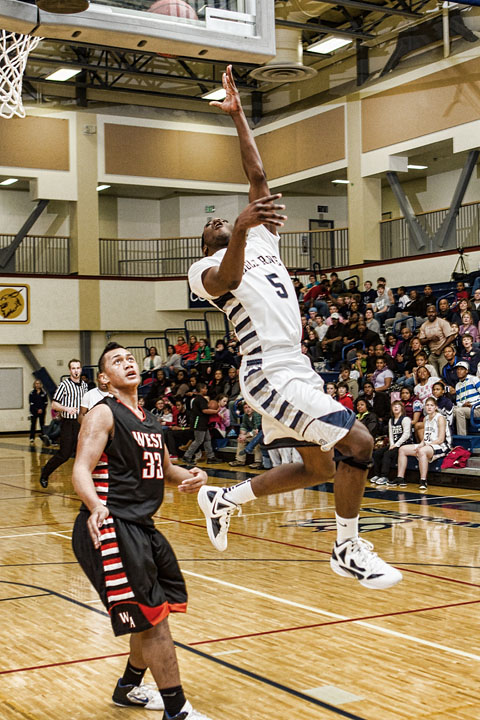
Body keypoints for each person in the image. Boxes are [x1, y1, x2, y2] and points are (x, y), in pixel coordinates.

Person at [188, 65, 401, 590]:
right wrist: (235, 229)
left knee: (319, 469)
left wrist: (240, 118)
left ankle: (224, 496)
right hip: (265, 372)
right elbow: (228, 278)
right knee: (359, 442)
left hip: (296, 368)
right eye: (210, 226)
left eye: (224, 220)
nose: (218, 220)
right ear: (207, 242)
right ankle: (346, 547)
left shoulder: (260, 239)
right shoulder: (203, 270)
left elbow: (257, 178)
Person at [71, 343, 212, 720]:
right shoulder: (102, 413)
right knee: (154, 619)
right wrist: (95, 505)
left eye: (131, 358)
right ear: (104, 378)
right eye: (117, 361)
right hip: (110, 525)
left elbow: (165, 469)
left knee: (154, 610)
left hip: (142, 526)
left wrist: (195, 476)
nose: (128, 363)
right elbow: (81, 469)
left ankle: (129, 686)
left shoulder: (150, 420)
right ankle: (177, 710)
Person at [39, 359, 87, 488]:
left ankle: (84, 482)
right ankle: (45, 472)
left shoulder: (84, 386)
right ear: (70, 370)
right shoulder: (64, 385)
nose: (76, 371)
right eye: (73, 368)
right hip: (68, 422)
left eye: (78, 368)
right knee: (64, 454)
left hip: (81, 422)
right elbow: (54, 404)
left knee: (83, 453)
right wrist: (66, 409)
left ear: (81, 369)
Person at [396, 396, 450, 491]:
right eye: (427, 405)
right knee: (402, 449)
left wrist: (425, 446)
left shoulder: (440, 418)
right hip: (428, 445)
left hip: (441, 446)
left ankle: (423, 480)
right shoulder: (425, 418)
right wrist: (421, 444)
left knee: (422, 451)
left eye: (431, 405)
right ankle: (400, 478)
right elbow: (425, 437)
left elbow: (441, 439)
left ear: (436, 407)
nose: (429, 407)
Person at [371, 401, 412, 486]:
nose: (396, 407)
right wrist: (392, 444)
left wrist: (396, 445)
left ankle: (384, 476)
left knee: (387, 454)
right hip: (394, 444)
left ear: (402, 408)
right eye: (394, 406)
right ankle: (377, 475)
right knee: (377, 453)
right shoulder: (391, 420)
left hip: (404, 445)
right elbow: (391, 434)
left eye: (398, 406)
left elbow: (406, 434)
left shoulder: (405, 419)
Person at [182, 383, 223, 465]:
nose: (206, 390)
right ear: (201, 389)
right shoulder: (200, 399)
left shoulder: (199, 399)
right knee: (198, 440)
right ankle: (187, 456)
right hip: (199, 422)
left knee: (207, 439)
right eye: (205, 388)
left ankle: (211, 457)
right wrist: (216, 411)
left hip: (203, 422)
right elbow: (204, 410)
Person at [418, 305, 455, 377]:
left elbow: (451, 337)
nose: (431, 314)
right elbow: (421, 341)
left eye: (433, 312)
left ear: (436, 313)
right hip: (432, 353)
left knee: (443, 374)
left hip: (443, 352)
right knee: (433, 376)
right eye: (429, 312)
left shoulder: (442, 322)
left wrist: (440, 349)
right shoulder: (424, 325)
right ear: (426, 313)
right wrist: (430, 339)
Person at [228, 402, 263, 468]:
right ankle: (240, 460)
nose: (247, 409)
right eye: (245, 408)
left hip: (261, 434)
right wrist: (241, 435)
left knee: (257, 440)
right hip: (252, 434)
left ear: (253, 408)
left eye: (249, 407)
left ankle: (258, 462)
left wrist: (245, 436)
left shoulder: (257, 415)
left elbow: (257, 430)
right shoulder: (245, 416)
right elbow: (243, 426)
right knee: (241, 440)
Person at [453, 360, 480, 435]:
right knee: (450, 411)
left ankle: (462, 437)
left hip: (477, 408)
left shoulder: (474, 379)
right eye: (458, 369)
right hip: (466, 409)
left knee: (459, 411)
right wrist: (463, 405)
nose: (459, 371)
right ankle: (449, 437)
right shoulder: (458, 385)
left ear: (466, 371)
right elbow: (458, 401)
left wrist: (473, 404)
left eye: (461, 369)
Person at [29, 379, 48, 444]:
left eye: (38, 383)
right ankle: (32, 437)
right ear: (34, 385)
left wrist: (41, 409)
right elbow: (31, 403)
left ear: (41, 385)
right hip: (34, 411)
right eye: (36, 383)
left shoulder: (44, 393)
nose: (37, 385)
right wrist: (37, 410)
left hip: (42, 411)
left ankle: (43, 437)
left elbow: (45, 403)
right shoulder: (32, 393)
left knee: (42, 424)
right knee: (33, 424)